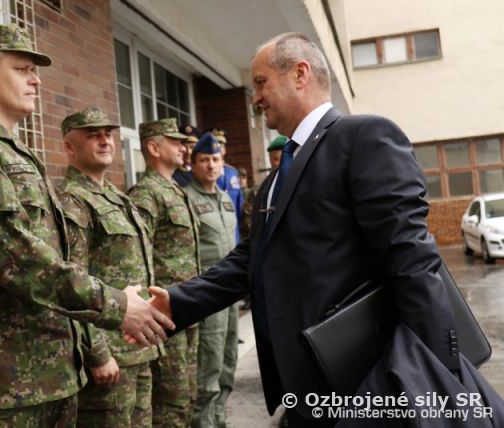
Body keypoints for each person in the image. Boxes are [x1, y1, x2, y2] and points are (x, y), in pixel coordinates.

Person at [147, 32, 459, 427]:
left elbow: (410, 256)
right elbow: (252, 259)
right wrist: (177, 302)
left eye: (261, 83)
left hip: (365, 381)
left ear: (300, 73)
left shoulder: (363, 138)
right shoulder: (276, 179)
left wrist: (439, 377)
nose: (255, 98)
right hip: (306, 386)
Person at [0, 25, 172, 427]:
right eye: (22, 69)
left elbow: (55, 254)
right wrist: (114, 305)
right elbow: (14, 256)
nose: (35, 80)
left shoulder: (15, 152)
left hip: (51, 375)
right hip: (1, 385)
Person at [55, 106, 164, 427]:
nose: (105, 141)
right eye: (93, 135)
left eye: (108, 134)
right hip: (110, 355)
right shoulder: (72, 200)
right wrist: (97, 352)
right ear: (69, 146)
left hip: (137, 346)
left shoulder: (116, 197)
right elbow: (72, 282)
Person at [127, 118, 202, 427]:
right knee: (170, 401)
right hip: (164, 313)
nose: (183, 147)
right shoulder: (146, 194)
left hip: (186, 308)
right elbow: (137, 255)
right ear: (154, 148)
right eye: (175, 142)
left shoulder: (174, 189)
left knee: (188, 394)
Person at [184, 133, 238, 428]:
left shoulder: (226, 199)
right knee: (210, 362)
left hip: (230, 294)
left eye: (215, 159)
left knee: (229, 357)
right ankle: (204, 422)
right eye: (204, 160)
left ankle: (220, 417)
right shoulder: (187, 199)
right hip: (207, 294)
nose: (211, 165)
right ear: (192, 164)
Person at [239, 134, 286, 240]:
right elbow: (248, 222)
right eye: (276, 159)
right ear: (270, 160)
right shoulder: (258, 190)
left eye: (284, 158)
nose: (281, 163)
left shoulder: (301, 184)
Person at [214, 129, 244, 243]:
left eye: (222, 145)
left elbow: (239, 202)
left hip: (234, 231)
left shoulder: (232, 172)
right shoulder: (208, 172)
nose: (219, 147)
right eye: (216, 144)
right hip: (217, 232)